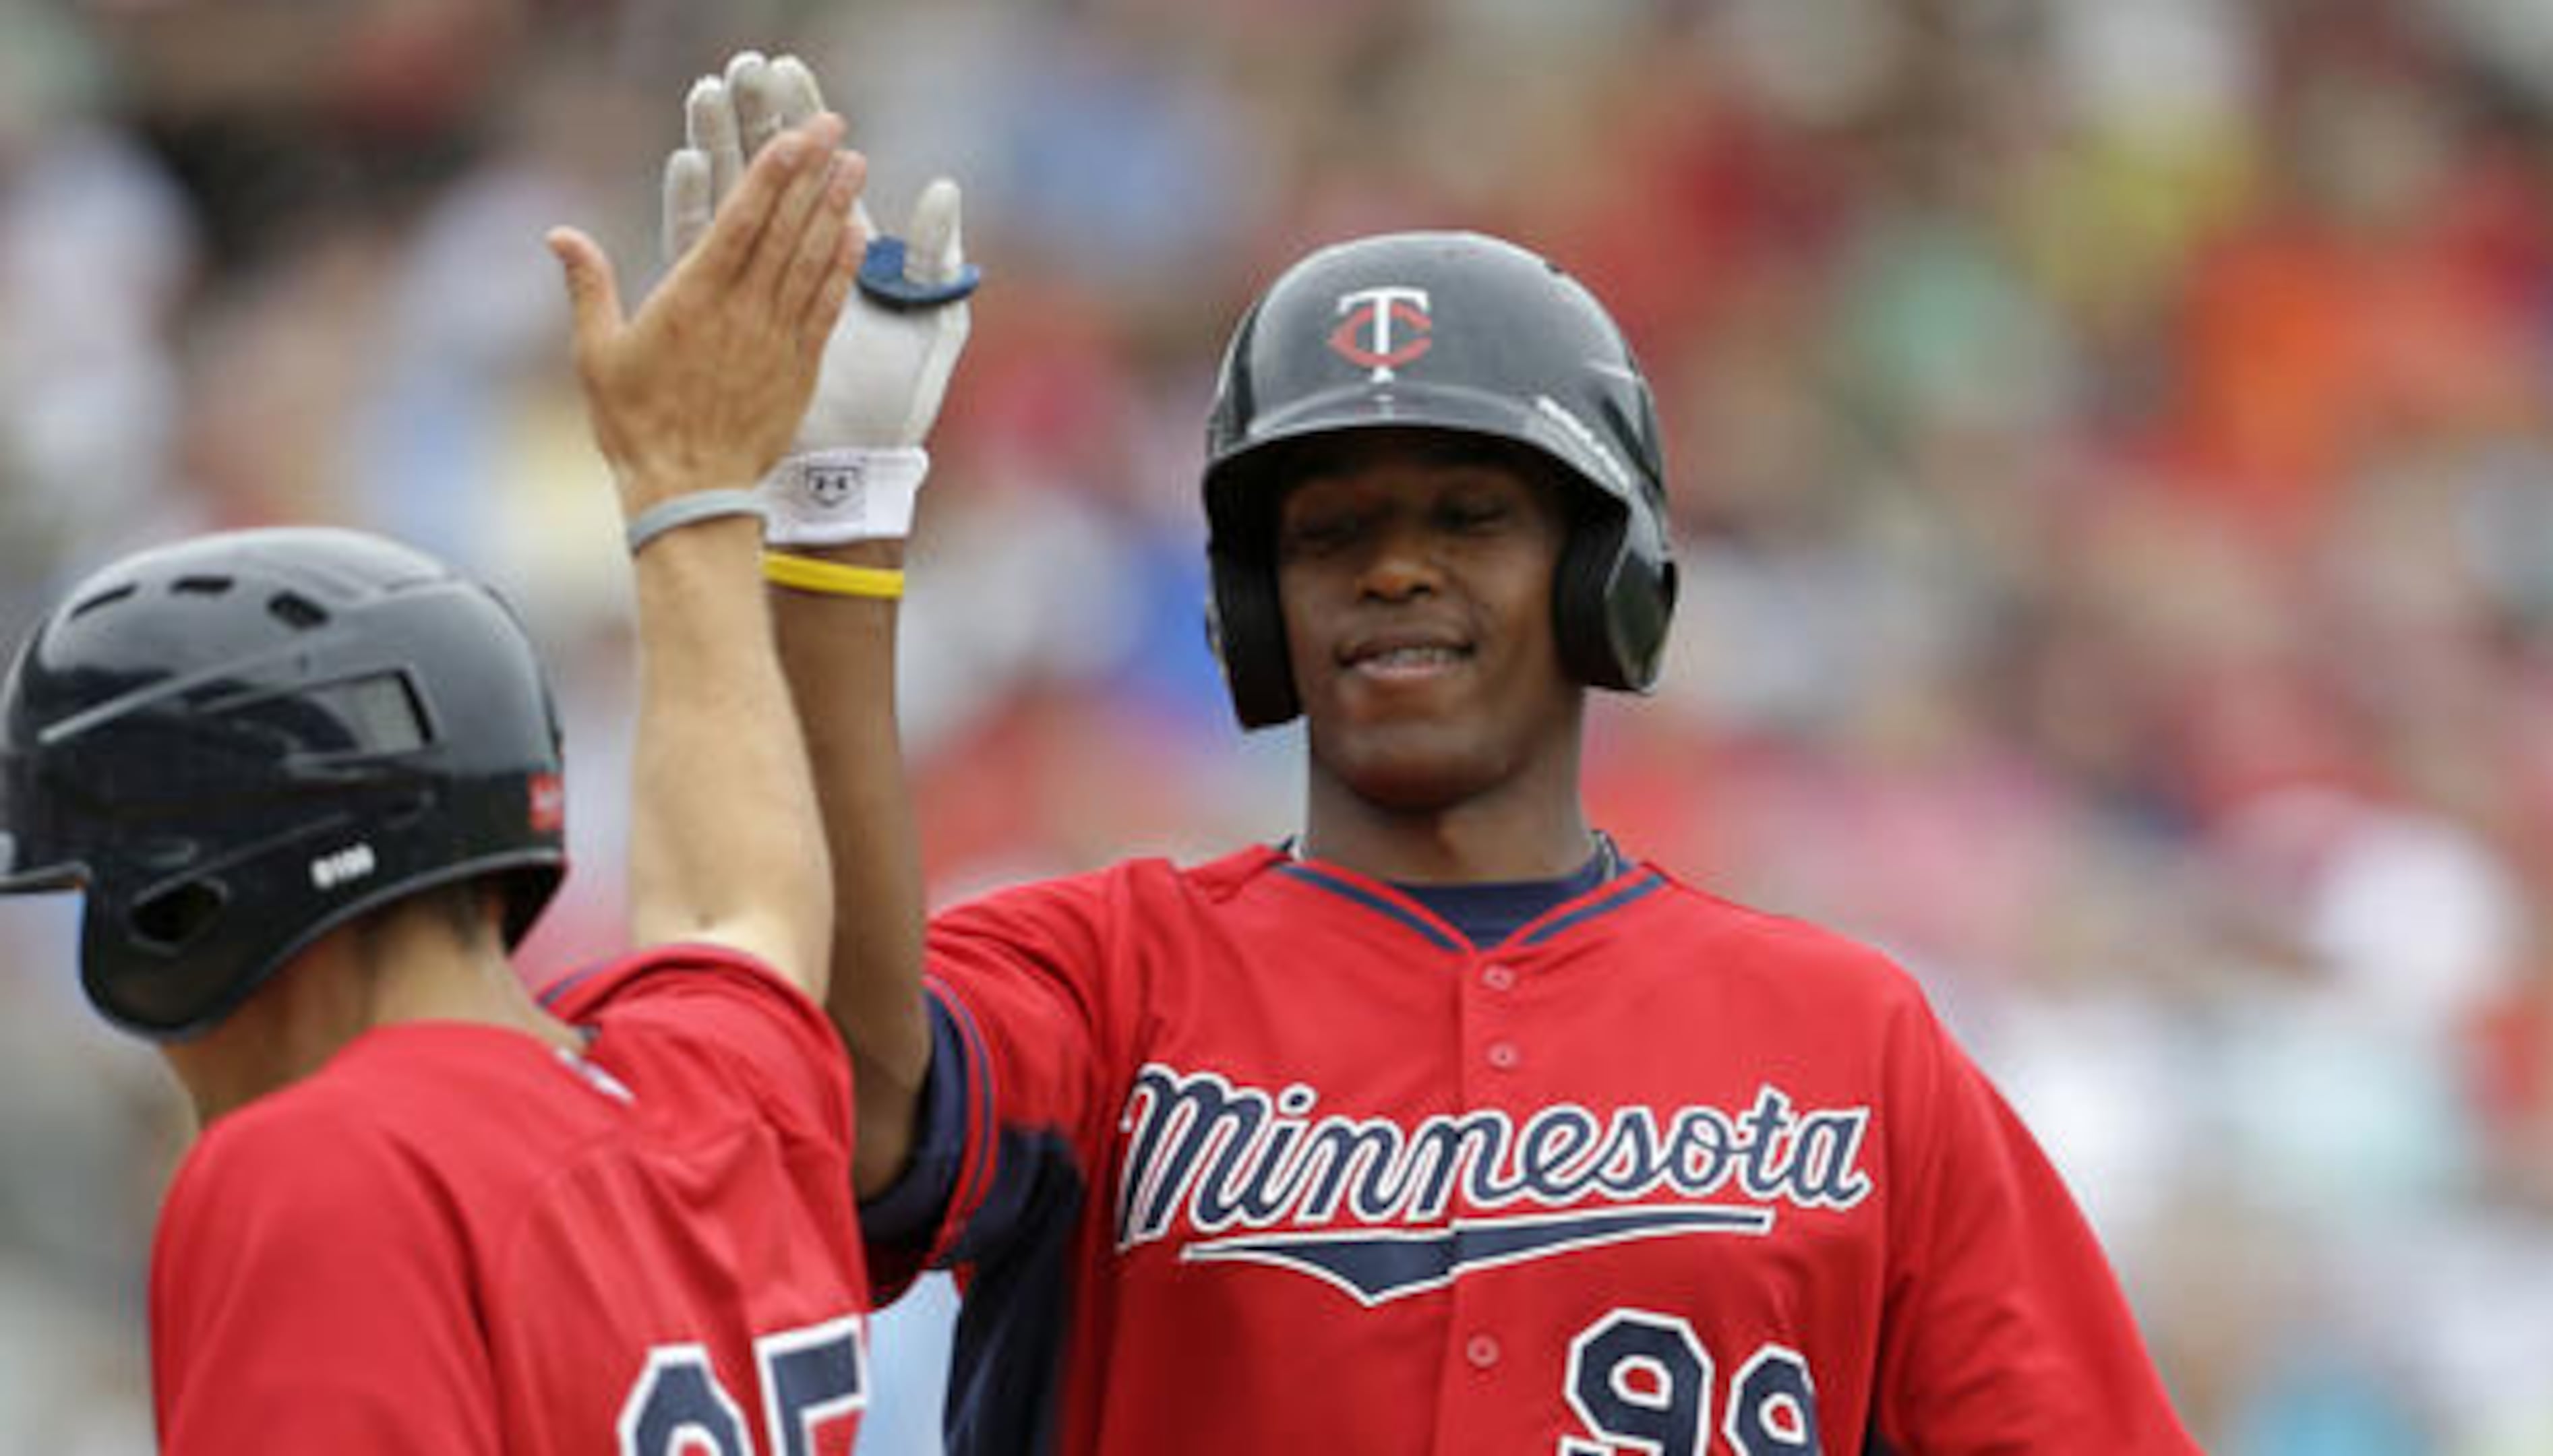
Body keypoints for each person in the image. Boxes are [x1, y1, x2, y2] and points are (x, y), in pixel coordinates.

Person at [695, 55, 2200, 1455]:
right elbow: (862, 1101)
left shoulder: (1849, 1044)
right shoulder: (1107, 977)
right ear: (1252, 609)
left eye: (1469, 517)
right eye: (1331, 531)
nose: (1394, 573)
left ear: (1604, 574)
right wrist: (833, 521)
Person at [0, 110, 884, 1453]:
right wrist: (690, 485)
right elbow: (737, 911)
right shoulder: (721, 1100)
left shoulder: (322, 1170)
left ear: (191, 911)